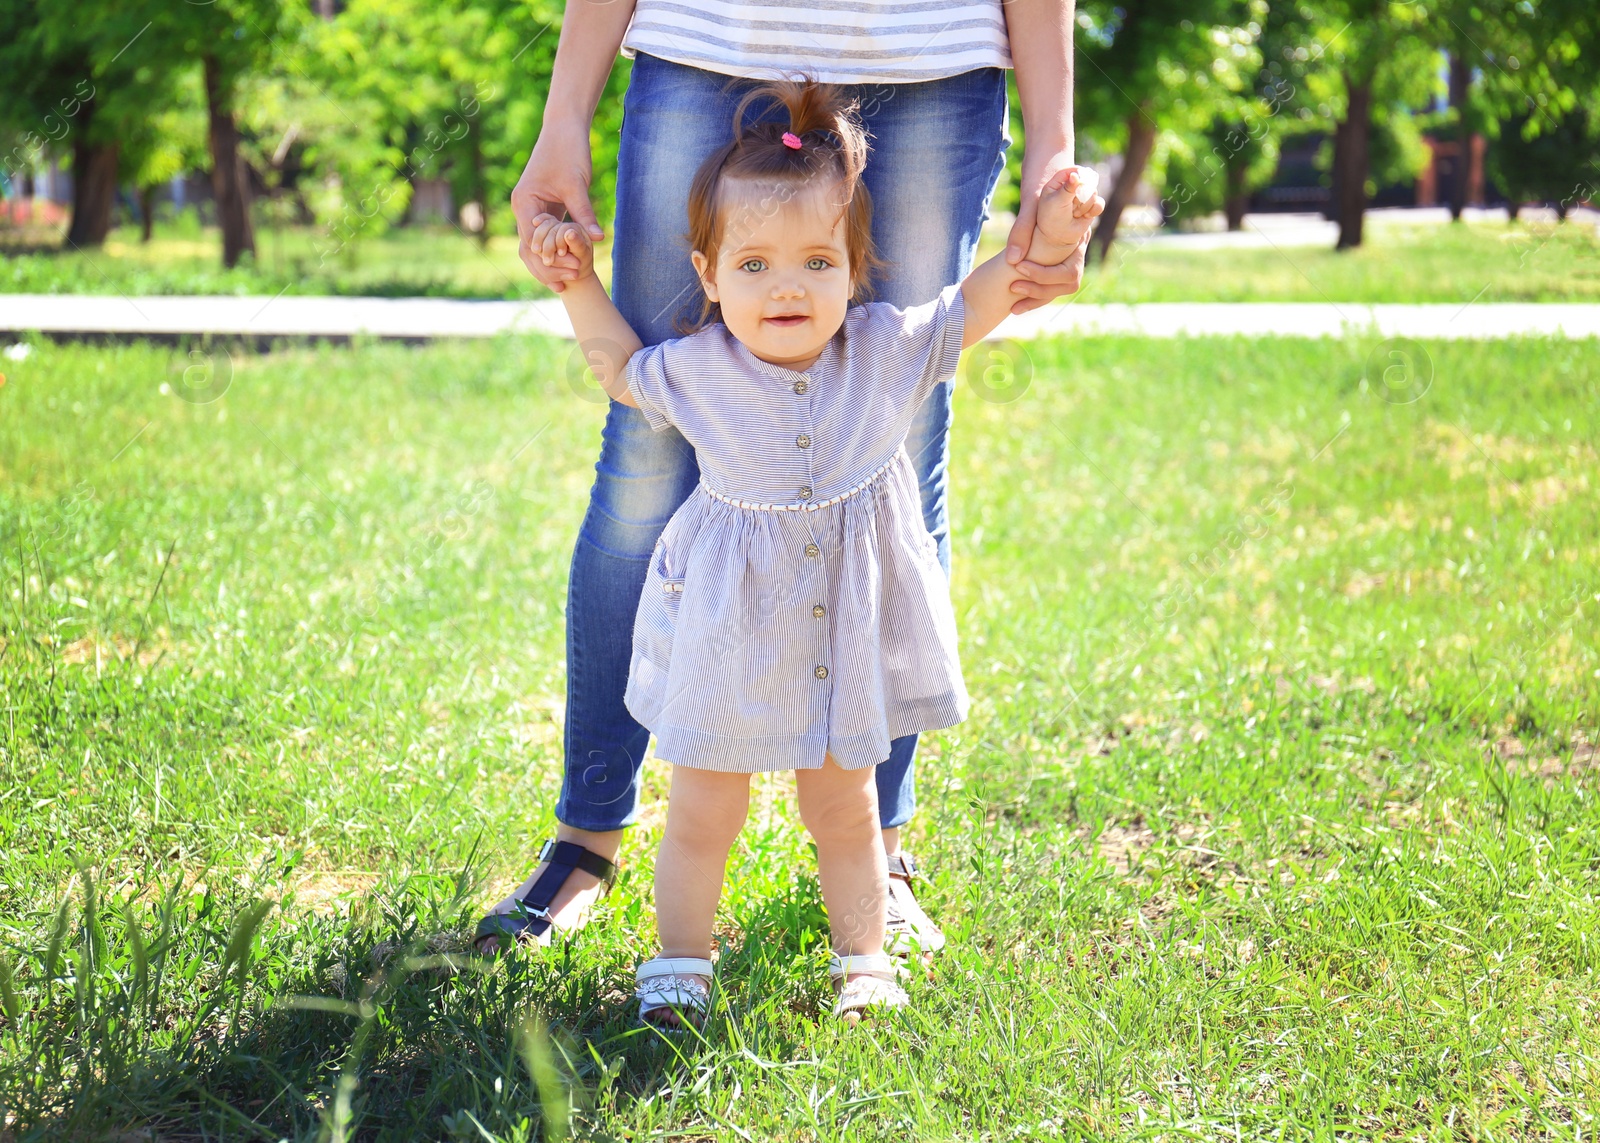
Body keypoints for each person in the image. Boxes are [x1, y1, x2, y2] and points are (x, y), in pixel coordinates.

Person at [476, 0, 1088, 959]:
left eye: (814, 265)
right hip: (705, 38)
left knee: (897, 450)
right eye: (754, 264)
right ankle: (586, 837)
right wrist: (562, 131)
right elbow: (627, 371)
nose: (789, 281)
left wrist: (1057, 154)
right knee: (643, 467)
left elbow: (983, 302)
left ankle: (875, 855)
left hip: (935, 61)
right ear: (712, 270)